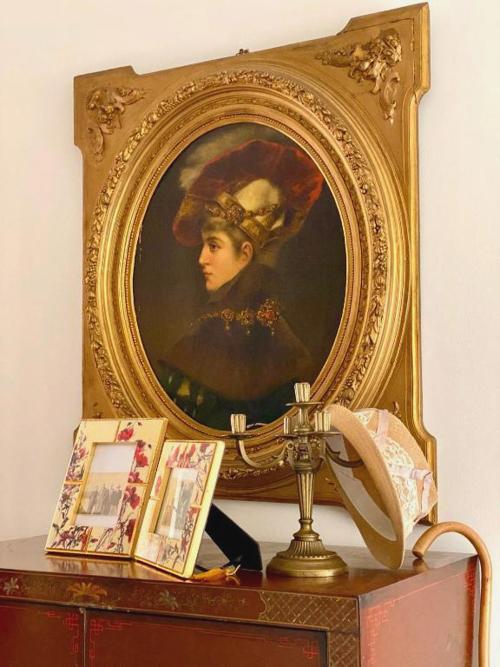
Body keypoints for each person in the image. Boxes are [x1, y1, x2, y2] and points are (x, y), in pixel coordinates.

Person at [157, 139, 324, 429]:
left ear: (245, 253)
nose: (201, 259)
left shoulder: (280, 347)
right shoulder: (201, 336)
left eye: (213, 245)